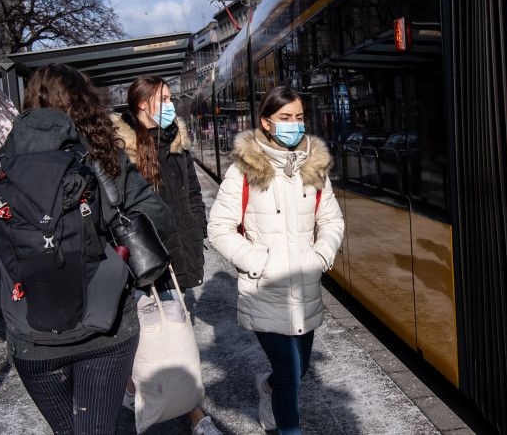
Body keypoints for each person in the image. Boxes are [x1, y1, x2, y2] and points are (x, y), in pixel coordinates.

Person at [0, 64, 170, 434]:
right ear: (84, 106)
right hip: (107, 331)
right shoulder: (105, 160)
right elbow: (159, 222)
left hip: (32, 339)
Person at [207, 86, 345, 435]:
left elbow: (332, 220)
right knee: (288, 373)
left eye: (299, 118)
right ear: (266, 123)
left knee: (300, 371)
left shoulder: (314, 167)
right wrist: (258, 262)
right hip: (265, 290)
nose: (294, 125)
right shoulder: (245, 170)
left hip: (305, 286)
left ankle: (265, 388)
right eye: (286, 118)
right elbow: (219, 228)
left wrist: (320, 255)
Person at [112, 76, 221, 435]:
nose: (172, 105)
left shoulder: (177, 144)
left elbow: (192, 195)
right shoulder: (120, 150)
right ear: (143, 104)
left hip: (178, 255)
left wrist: (197, 230)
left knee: (175, 337)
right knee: (158, 340)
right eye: (165, 99)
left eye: (172, 98)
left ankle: (173, 406)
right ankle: (190, 414)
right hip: (142, 261)